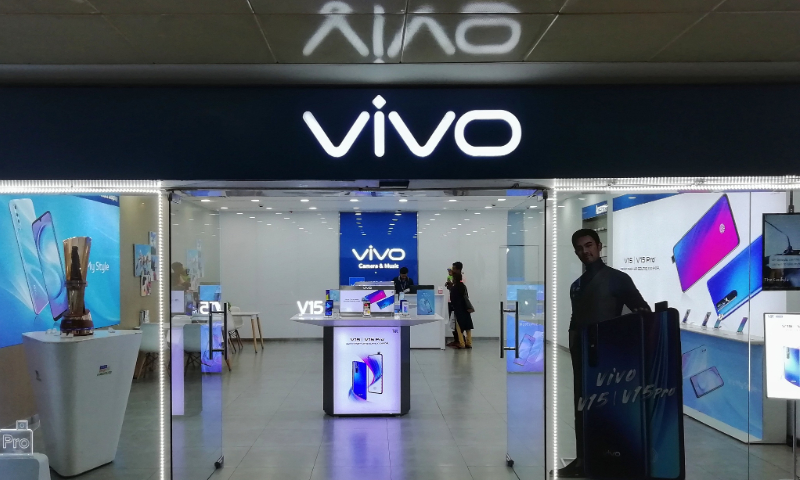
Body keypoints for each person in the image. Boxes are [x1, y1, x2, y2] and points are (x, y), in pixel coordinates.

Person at [556, 229, 650, 478]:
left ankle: (607, 460)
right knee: (581, 408)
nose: (585, 251)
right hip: (583, 356)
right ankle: (583, 461)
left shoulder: (618, 279)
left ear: (599, 246)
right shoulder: (576, 286)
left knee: (607, 411)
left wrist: (623, 347)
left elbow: (643, 314)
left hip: (610, 358)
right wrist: (576, 348)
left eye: (589, 245)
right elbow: (575, 321)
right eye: (579, 248)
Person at [449, 272, 473, 349]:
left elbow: (452, 299)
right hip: (465, 308)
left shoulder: (454, 288)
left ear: (454, 279)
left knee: (459, 327)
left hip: (458, 309)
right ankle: (469, 343)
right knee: (467, 326)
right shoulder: (463, 286)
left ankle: (462, 343)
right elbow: (467, 296)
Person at [445, 262, 464, 347]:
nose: (452, 270)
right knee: (452, 321)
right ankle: (456, 339)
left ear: (458, 269)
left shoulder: (460, 278)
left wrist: (452, 286)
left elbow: (459, 289)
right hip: (452, 301)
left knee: (458, 322)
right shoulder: (452, 277)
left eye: (454, 268)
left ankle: (460, 340)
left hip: (458, 303)